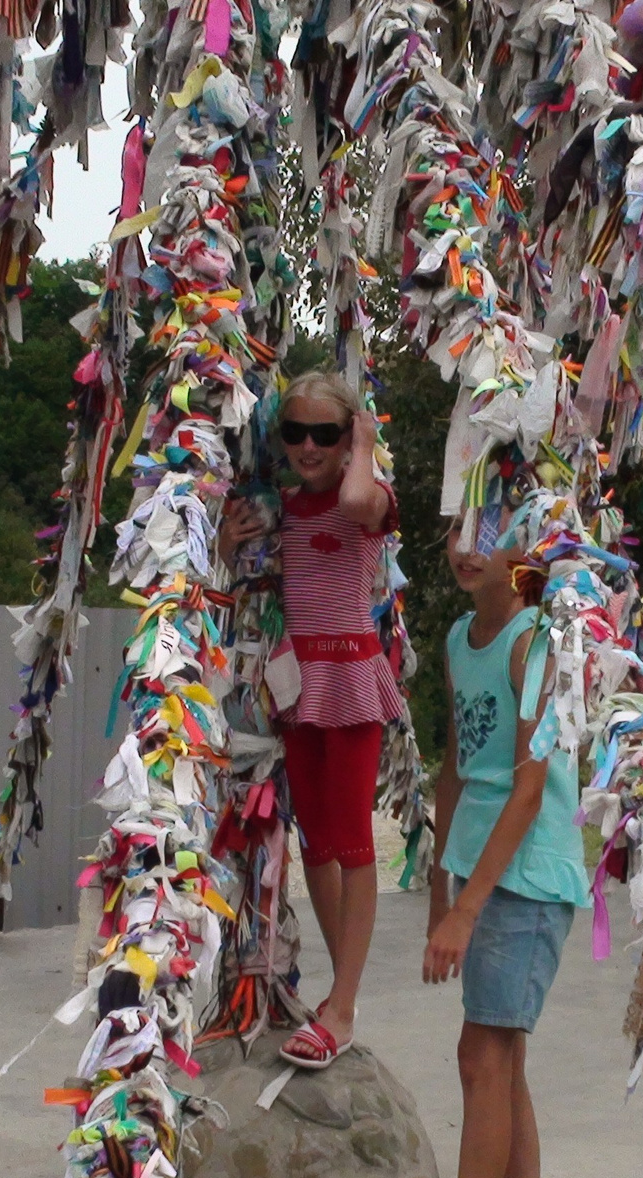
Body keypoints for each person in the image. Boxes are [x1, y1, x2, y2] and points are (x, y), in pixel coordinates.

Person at [357, 523, 585, 1178]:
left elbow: (529, 787)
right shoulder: (462, 637)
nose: (463, 544)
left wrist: (469, 904)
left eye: (489, 532)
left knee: (481, 1056)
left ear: (526, 551)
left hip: (526, 873)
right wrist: (436, 887)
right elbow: (456, 763)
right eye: (456, 526)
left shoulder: (537, 643)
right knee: (499, 1059)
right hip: (481, 868)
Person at [221, 372, 402, 1070]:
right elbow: (237, 586)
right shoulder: (280, 508)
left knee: (355, 845)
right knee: (317, 842)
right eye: (292, 431)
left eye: (324, 433)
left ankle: (344, 1005)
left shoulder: (370, 500)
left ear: (349, 435)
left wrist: (362, 441)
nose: (306, 446)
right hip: (296, 686)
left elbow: (356, 495)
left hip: (351, 680)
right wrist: (230, 545)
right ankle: (336, 997)